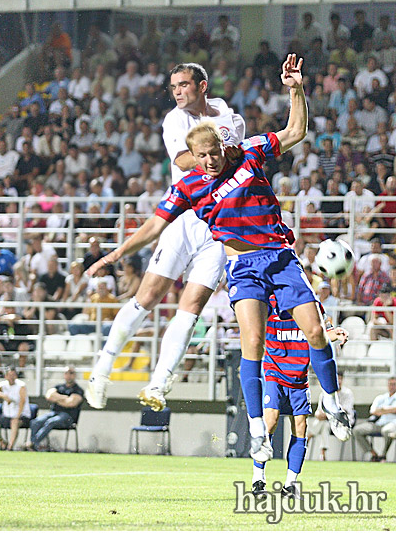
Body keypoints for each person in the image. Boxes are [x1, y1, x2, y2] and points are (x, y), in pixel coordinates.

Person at [87, 55, 351, 464]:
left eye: (213, 153)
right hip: (243, 266)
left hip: (280, 257)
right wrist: (117, 253)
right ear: (191, 154)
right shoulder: (188, 183)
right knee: (252, 343)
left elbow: (296, 130)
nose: (209, 162)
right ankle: (258, 431)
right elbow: (153, 227)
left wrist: (295, 89)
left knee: (315, 332)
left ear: (222, 146)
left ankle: (333, 401)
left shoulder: (248, 152)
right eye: (201, 156)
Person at [85, 61, 245, 415]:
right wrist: (219, 153)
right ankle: (101, 372)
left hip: (218, 227)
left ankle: (159, 383)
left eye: (184, 85)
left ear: (202, 86)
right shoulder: (174, 120)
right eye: (173, 86)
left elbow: (239, 159)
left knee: (191, 308)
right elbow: (187, 160)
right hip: (182, 217)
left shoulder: (231, 119)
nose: (177, 92)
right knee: (148, 296)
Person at [252, 299, 349, 498]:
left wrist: (335, 332)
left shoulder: (312, 305)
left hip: (299, 376)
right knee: (270, 420)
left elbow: (321, 334)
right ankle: (258, 479)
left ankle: (290, 484)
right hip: (274, 371)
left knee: (301, 426)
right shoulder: (268, 302)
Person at [27, 366, 84, 451]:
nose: (69, 375)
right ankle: (34, 445)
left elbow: (71, 403)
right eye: (66, 373)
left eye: (71, 373)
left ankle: (33, 443)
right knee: (36, 422)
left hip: (68, 417)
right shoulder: (59, 387)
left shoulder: (78, 390)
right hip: (54, 413)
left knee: (51, 422)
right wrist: (64, 398)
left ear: (75, 375)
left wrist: (57, 398)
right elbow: (49, 396)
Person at [306, 371, 355, 462]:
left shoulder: (347, 393)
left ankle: (309, 436)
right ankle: (322, 453)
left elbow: (343, 410)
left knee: (325, 424)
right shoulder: (325, 394)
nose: (338, 381)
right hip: (327, 421)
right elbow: (318, 412)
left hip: (343, 422)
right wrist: (322, 414)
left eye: (340, 378)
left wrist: (327, 413)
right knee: (325, 425)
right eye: (336, 379)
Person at [354, 377, 396, 462]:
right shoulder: (381, 397)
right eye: (390, 384)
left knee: (387, 431)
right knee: (357, 430)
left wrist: (381, 410)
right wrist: (388, 410)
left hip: (392, 424)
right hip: (378, 423)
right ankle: (373, 454)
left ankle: (383, 455)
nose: (392, 387)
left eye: (394, 384)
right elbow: (372, 411)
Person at [0, 366, 31, 450]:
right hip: (7, 414)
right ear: (6, 376)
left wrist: (17, 416)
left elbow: (22, 402)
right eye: (10, 375)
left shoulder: (21, 386)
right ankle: (2, 442)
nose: (12, 377)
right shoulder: (3, 384)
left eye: (14, 375)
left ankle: (10, 447)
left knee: (14, 422)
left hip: (22, 415)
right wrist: (4, 396)